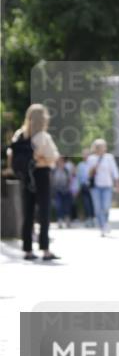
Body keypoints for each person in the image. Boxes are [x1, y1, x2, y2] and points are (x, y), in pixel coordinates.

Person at [7, 104, 60, 260]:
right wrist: (41, 159)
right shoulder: (43, 136)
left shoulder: (19, 135)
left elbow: (11, 154)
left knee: (27, 213)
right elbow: (53, 157)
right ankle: (45, 249)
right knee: (43, 213)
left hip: (26, 176)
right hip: (42, 175)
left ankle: (28, 250)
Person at [85, 138, 119, 237]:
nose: (101, 149)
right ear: (95, 148)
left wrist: (117, 182)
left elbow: (114, 170)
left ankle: (105, 223)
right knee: (98, 208)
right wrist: (94, 168)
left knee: (105, 207)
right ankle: (102, 227)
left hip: (107, 185)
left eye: (102, 147)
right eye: (99, 147)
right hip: (95, 186)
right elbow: (87, 174)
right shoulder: (91, 159)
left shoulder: (109, 157)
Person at [52, 157, 74, 229]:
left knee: (66, 206)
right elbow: (52, 180)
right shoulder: (54, 170)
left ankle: (67, 219)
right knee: (59, 206)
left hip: (66, 191)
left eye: (62, 161)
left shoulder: (66, 170)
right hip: (57, 191)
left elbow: (70, 180)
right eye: (59, 161)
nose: (61, 163)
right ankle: (60, 220)